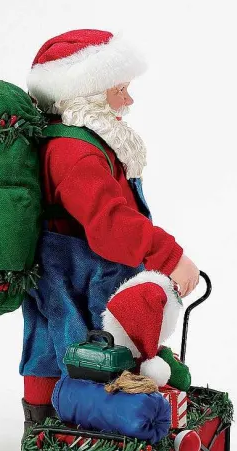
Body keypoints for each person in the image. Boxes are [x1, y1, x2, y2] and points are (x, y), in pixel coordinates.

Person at [20, 29, 200, 426]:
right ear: (86, 93)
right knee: (91, 347)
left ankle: (44, 422)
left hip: (64, 268)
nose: (128, 101)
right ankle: (87, 428)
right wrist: (169, 256)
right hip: (83, 271)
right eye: (120, 90)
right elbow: (110, 224)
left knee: (50, 340)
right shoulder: (77, 153)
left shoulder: (77, 142)